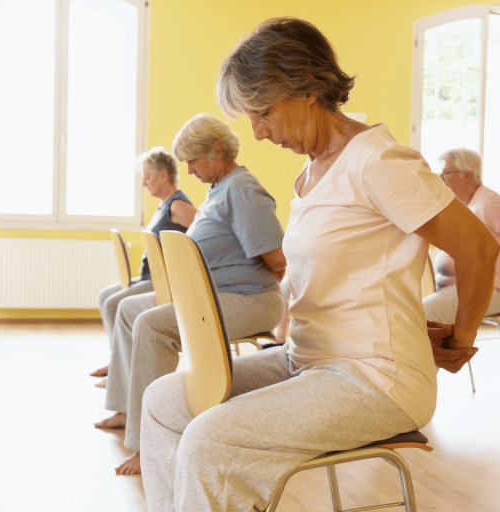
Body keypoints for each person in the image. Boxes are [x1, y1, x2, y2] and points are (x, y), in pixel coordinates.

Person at [139, 18, 499, 512]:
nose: (259, 134)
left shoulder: (379, 161)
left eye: (263, 113)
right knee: (161, 402)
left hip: (374, 378)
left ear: (304, 88)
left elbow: (478, 247)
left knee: (211, 440)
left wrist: (459, 339)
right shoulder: (309, 174)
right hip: (306, 360)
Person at [96, 113, 286, 475]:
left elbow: (277, 259)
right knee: (133, 312)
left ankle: (147, 444)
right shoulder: (219, 189)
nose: (190, 169)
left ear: (216, 150)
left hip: (251, 299)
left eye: (193, 160)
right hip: (219, 294)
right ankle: (128, 410)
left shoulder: (242, 189)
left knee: (152, 325)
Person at [91, 147, 196, 381]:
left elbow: (202, 236)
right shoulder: (163, 204)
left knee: (114, 303)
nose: (144, 184)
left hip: (164, 280)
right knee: (106, 298)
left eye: (148, 177)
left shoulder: (178, 205)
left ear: (163, 175)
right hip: (150, 276)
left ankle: (122, 372)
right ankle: (119, 363)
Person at [424, 148, 500, 323]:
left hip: (489, 289)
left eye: (446, 172)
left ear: (467, 175)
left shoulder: (489, 202)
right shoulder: (461, 204)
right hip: (461, 287)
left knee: (425, 314)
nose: (441, 178)